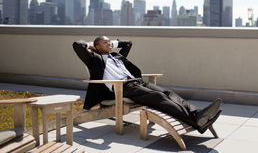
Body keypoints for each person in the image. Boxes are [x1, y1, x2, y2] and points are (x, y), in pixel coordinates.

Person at [73, 36, 222, 133]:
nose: (109, 44)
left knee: (168, 93)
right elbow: (77, 45)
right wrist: (92, 45)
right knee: (158, 97)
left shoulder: (116, 55)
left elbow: (128, 43)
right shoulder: (94, 58)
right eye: (105, 43)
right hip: (123, 87)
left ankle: (198, 113)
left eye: (109, 41)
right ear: (97, 47)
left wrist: (112, 43)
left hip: (137, 82)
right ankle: (197, 121)